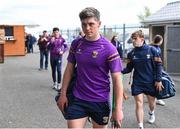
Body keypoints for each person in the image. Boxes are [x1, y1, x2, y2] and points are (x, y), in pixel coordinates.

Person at [57, 7, 124, 128]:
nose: (87, 28)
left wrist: (118, 109)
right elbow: (69, 69)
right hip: (78, 99)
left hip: (100, 101)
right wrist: (63, 93)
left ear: (99, 24)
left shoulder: (109, 49)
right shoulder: (77, 43)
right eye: (84, 24)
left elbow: (117, 80)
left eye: (91, 24)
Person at [122, 30, 163, 129]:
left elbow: (159, 65)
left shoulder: (152, 50)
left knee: (151, 104)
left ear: (142, 39)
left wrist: (158, 80)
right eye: (133, 39)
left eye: (135, 39)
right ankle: (140, 126)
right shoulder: (131, 53)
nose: (133, 41)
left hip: (151, 82)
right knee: (139, 103)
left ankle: (151, 112)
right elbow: (128, 68)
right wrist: (117, 70)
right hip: (137, 82)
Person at [151, 34, 165, 106]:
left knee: (157, 83)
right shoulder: (154, 48)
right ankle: (158, 99)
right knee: (158, 83)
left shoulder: (158, 48)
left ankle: (157, 98)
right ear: (160, 41)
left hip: (156, 68)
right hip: (154, 69)